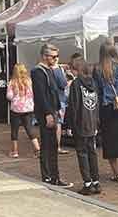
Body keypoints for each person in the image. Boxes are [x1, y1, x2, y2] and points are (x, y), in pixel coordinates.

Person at [31, 44, 72, 187]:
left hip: (54, 110)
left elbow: (60, 86)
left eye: (56, 57)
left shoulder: (50, 70)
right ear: (44, 56)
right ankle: (48, 176)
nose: (55, 59)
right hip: (47, 112)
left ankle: (54, 175)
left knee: (53, 144)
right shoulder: (38, 72)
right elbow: (41, 94)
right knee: (48, 144)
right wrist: (48, 113)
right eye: (53, 57)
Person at [94, 42, 118, 185]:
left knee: (110, 142)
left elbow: (97, 91)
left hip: (106, 108)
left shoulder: (98, 69)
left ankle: (116, 174)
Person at [65, 59, 101, 195]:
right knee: (92, 152)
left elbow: (73, 106)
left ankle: (87, 183)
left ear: (76, 70)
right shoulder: (94, 83)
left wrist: (69, 125)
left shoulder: (75, 84)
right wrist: (97, 122)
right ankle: (96, 182)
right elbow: (97, 103)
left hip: (80, 122)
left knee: (82, 153)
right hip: (92, 122)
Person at [6, 63, 40, 158]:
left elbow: (9, 96)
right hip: (28, 108)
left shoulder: (12, 82)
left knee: (14, 130)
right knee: (29, 128)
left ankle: (15, 151)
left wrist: (14, 94)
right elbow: (33, 94)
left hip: (16, 109)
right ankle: (37, 149)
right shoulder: (29, 81)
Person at [53, 62, 70, 155]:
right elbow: (63, 84)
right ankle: (57, 147)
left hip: (51, 99)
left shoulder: (45, 69)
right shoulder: (57, 70)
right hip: (59, 99)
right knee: (58, 124)